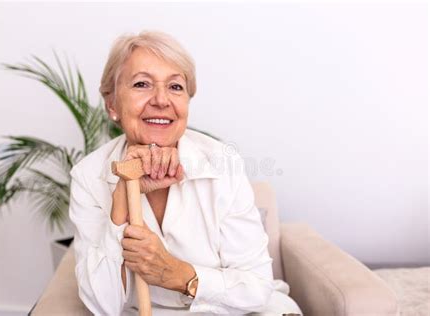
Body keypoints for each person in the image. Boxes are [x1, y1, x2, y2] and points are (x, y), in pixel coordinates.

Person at [69, 30, 303, 315]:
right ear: (112, 104)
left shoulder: (222, 163)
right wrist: (122, 195)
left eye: (176, 87)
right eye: (142, 83)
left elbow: (255, 288)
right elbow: (101, 304)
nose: (161, 100)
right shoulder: (87, 176)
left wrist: (175, 273)